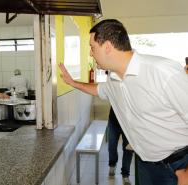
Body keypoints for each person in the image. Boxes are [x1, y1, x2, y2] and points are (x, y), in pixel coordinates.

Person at [59, 19, 188, 185]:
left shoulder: (163, 72)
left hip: (178, 167)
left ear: (107, 47)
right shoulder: (114, 80)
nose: (91, 53)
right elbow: (98, 90)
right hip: (144, 164)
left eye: (92, 47)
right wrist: (73, 83)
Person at [108, 107, 133, 185]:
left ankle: (125, 174)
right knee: (112, 145)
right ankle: (112, 164)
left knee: (128, 149)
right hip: (113, 121)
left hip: (128, 123)